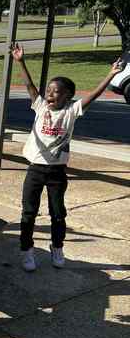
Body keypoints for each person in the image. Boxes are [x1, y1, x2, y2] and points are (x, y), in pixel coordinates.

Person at [12, 43, 125, 272]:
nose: (50, 94)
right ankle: (27, 251)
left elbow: (93, 95)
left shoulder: (71, 112)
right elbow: (30, 86)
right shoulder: (40, 106)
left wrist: (111, 74)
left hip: (56, 173)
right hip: (35, 169)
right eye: (49, 90)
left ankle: (57, 247)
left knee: (57, 213)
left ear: (68, 97)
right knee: (28, 212)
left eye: (56, 91)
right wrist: (20, 61)